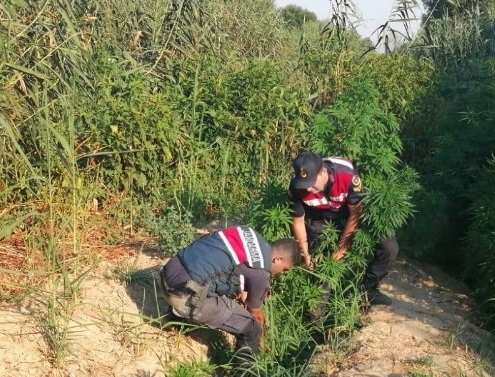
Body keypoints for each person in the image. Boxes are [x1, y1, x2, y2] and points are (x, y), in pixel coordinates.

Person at [160, 225, 301, 358]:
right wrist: (263, 338)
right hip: (181, 294)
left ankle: (174, 319)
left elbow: (228, 265)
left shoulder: (247, 232)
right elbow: (256, 315)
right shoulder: (261, 273)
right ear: (278, 259)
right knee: (251, 329)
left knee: (205, 277)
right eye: (284, 269)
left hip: (168, 271)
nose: (282, 273)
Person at [288, 151, 398, 306]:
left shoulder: (348, 175)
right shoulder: (296, 186)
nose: (308, 190)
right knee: (322, 261)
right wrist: (305, 253)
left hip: (350, 212)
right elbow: (298, 221)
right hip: (322, 218)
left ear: (323, 172)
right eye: (305, 185)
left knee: (389, 247)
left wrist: (341, 250)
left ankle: (369, 289)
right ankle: (317, 315)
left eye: (312, 184)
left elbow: (355, 214)